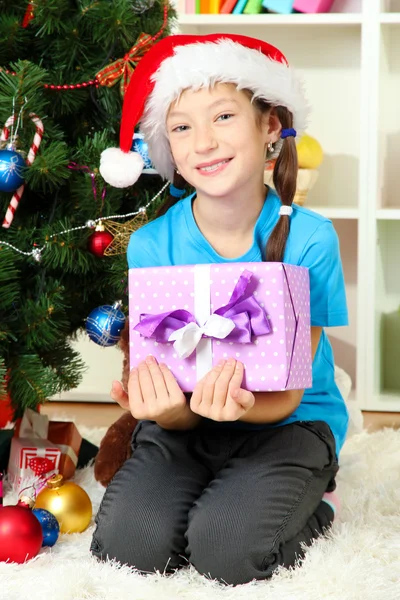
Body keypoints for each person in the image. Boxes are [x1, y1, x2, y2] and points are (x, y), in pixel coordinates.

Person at [91, 33, 349, 586]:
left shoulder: (309, 239)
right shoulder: (151, 246)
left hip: (288, 423)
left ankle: (313, 506)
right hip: (186, 425)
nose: (204, 142)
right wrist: (167, 412)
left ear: (271, 127)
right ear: (170, 151)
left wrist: (225, 409)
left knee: (226, 552)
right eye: (182, 127)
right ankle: (224, 491)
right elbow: (168, 386)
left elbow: (286, 396)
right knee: (129, 547)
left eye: (224, 116)